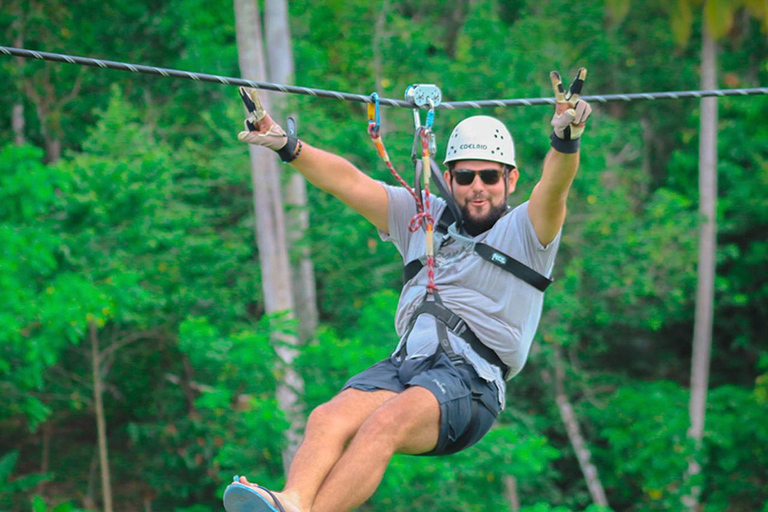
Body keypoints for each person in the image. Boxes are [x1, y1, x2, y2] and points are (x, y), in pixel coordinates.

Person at [223, 70, 592, 512]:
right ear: (448, 177)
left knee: (385, 423)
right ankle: (293, 501)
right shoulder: (421, 216)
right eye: (467, 176)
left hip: (471, 384)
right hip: (408, 368)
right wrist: (286, 144)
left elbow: (555, 187)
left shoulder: (528, 233)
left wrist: (566, 139)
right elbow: (349, 182)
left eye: (490, 177)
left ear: (510, 181)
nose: (478, 188)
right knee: (327, 418)